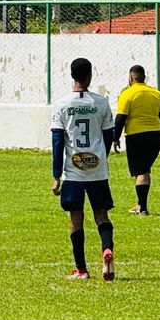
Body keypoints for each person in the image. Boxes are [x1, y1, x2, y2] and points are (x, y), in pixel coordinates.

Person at [52, 57, 118, 281]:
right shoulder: (101, 103)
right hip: (97, 169)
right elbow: (109, 135)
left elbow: (58, 142)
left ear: (72, 76)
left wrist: (56, 175)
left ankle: (81, 269)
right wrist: (100, 156)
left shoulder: (62, 104)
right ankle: (107, 250)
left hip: (74, 171)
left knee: (76, 218)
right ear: (90, 75)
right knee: (101, 214)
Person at [114, 65, 160, 215]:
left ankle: (143, 208)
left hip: (135, 135)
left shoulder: (127, 94)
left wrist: (115, 138)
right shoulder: (156, 94)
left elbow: (120, 118)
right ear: (144, 78)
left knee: (141, 171)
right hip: (155, 135)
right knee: (144, 169)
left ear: (131, 78)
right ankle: (140, 203)